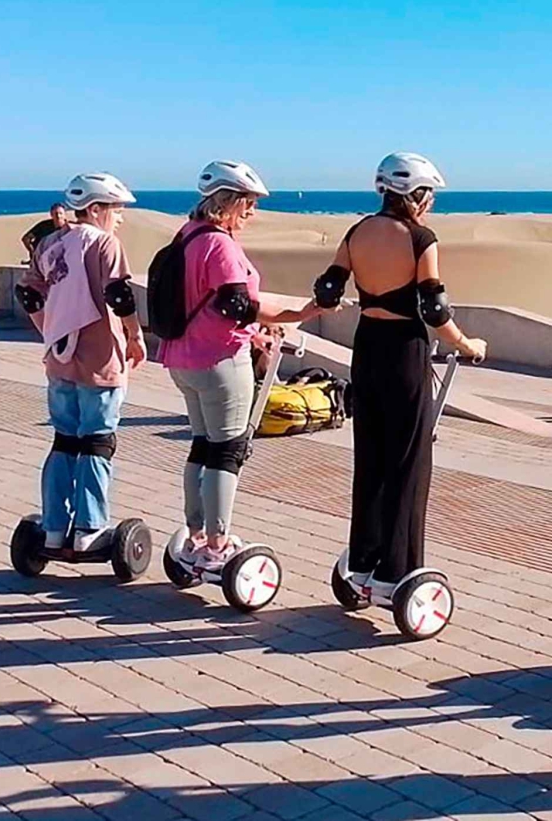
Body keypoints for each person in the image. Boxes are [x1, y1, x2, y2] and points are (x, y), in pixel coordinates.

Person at [313, 153, 487, 596]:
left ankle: (364, 557)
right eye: (429, 195)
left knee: (370, 456)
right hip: (404, 351)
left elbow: (328, 289)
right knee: (409, 460)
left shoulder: (356, 232)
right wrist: (466, 344)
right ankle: (398, 568)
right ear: (415, 195)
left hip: (366, 347)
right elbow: (435, 309)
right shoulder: (421, 239)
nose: (431, 204)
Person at [160, 160, 332, 570]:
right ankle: (217, 545)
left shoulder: (187, 235)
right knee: (227, 451)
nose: (253, 212)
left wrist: (254, 333)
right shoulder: (220, 245)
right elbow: (237, 304)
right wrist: (300, 313)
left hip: (182, 358)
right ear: (228, 202)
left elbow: (208, 303)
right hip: (219, 361)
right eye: (249, 203)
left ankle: (195, 535)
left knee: (203, 446)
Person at [17, 174, 144, 552]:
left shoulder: (50, 243)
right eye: (116, 210)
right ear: (96, 208)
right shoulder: (105, 244)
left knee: (65, 440)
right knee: (97, 442)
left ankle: (54, 527)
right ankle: (89, 529)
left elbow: (28, 293)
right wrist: (135, 335)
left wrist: (48, 327)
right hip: (100, 357)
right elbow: (119, 294)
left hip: (60, 357)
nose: (120, 218)